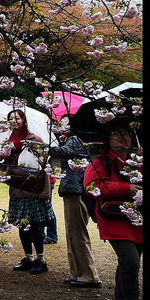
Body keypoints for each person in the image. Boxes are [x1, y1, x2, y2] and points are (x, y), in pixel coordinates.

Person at [84, 125, 142, 300]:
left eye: (125, 133)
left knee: (129, 262)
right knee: (131, 261)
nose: (121, 137)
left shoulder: (137, 162)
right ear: (107, 138)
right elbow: (92, 187)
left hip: (137, 218)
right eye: (116, 134)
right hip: (114, 217)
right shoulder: (101, 162)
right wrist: (127, 188)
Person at [0, 108, 53, 276]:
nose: (14, 121)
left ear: (24, 120)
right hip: (17, 187)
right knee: (22, 226)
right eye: (11, 119)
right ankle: (28, 257)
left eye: (17, 118)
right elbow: (4, 165)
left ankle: (41, 259)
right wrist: (3, 155)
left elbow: (43, 163)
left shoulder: (34, 139)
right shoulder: (8, 142)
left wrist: (30, 148)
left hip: (33, 188)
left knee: (35, 225)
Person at [49, 117, 99, 288]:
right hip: (73, 189)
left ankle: (88, 276)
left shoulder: (75, 139)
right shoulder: (74, 140)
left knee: (77, 232)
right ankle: (77, 273)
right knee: (73, 232)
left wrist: (43, 148)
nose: (61, 126)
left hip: (75, 190)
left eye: (64, 123)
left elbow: (62, 152)